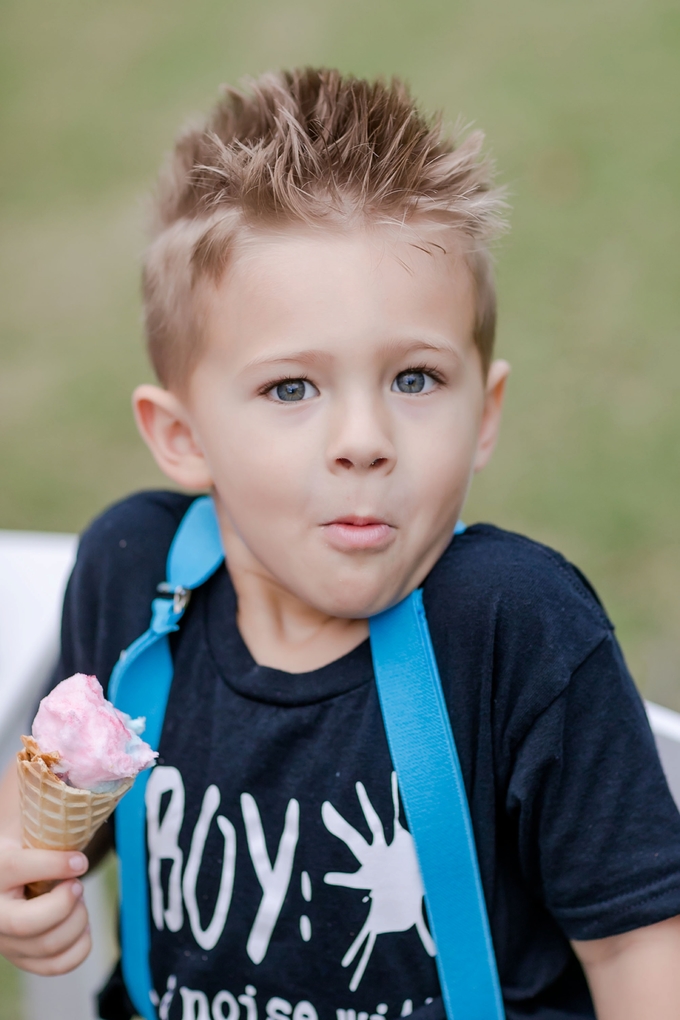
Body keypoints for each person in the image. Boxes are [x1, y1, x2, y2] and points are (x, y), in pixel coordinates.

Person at [1, 68, 679, 1020]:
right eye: (291, 389)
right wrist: (20, 877)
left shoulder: (515, 628)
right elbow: (41, 805)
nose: (364, 439)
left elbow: (640, 952)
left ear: (484, 413)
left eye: (413, 378)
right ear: (182, 436)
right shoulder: (131, 575)